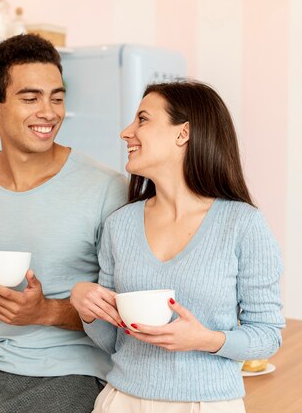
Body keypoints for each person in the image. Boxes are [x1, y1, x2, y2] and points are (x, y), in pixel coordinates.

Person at [0, 34, 127, 413]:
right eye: (30, 98)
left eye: (57, 97)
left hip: (71, 374)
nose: (49, 112)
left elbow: (125, 312)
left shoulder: (106, 188)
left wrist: (45, 312)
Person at [70, 81, 285, 413]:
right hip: (123, 401)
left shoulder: (242, 224)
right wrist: (88, 309)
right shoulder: (120, 225)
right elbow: (113, 342)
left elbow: (268, 336)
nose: (126, 132)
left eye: (142, 119)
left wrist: (207, 340)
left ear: (182, 133)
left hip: (206, 403)